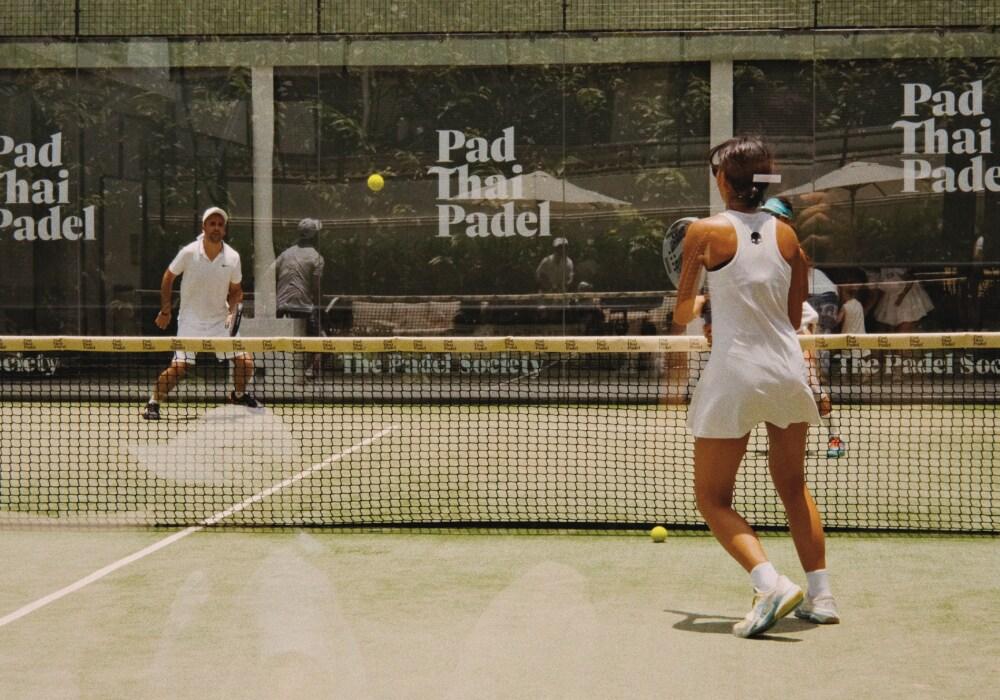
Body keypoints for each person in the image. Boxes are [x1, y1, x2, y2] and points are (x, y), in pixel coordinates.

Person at [673, 136, 838, 638]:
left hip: (735, 375)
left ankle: (769, 584)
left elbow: (682, 313)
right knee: (793, 485)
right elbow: (790, 318)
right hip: (787, 372)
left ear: (724, 180)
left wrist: (706, 310)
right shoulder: (789, 236)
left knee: (712, 497)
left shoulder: (703, 231)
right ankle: (822, 596)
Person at [142, 207, 259, 420]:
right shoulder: (188, 252)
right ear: (204, 227)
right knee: (179, 367)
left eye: (220, 225)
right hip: (190, 321)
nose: (216, 228)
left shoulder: (233, 257)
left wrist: (232, 313)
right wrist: (165, 310)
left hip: (219, 321)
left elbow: (236, 292)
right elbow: (168, 277)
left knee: (246, 362)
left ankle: (239, 395)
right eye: (212, 224)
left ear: (224, 230)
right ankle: (153, 403)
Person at [276, 218, 326, 377]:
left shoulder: (284, 254)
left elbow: (268, 274)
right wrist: (319, 309)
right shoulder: (316, 258)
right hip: (304, 308)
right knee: (323, 341)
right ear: (315, 236)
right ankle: (310, 371)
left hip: (280, 307)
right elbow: (316, 288)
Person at [866, 267, 934, 332]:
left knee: (905, 324)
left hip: (905, 297)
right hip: (890, 296)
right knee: (890, 324)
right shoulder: (880, 268)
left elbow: (910, 278)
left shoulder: (899, 268)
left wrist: (902, 295)